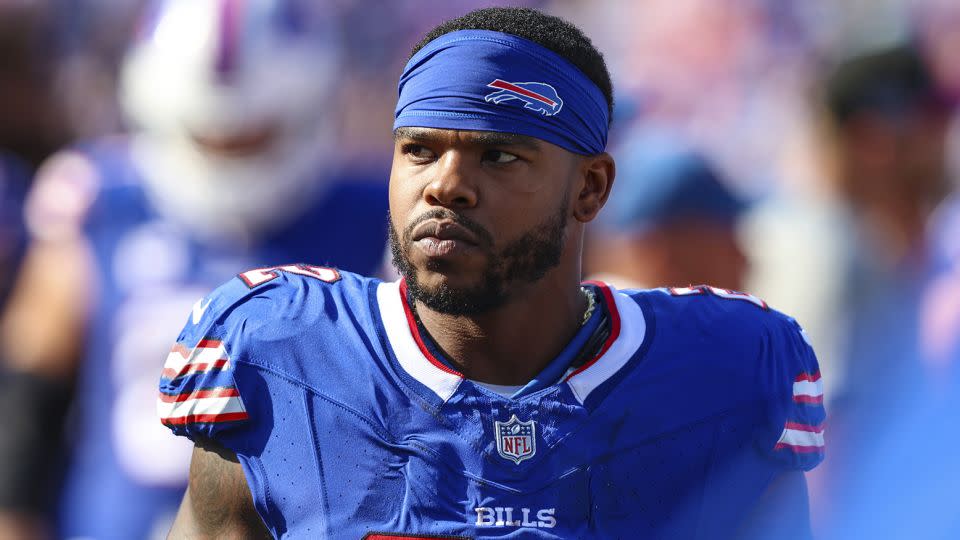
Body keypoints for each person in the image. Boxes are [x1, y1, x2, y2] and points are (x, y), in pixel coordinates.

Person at [160, 7, 825, 539]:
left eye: (499, 156)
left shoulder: (729, 374)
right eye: (419, 150)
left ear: (589, 189)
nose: (446, 186)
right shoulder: (276, 354)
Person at [0, 1, 389, 539]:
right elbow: (29, 390)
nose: (228, 151)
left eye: (250, 138)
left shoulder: (378, 219)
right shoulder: (99, 203)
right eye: (210, 138)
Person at [586, 131, 748, 291]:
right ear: (658, 254)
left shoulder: (594, 307)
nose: (743, 259)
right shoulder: (631, 313)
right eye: (726, 238)